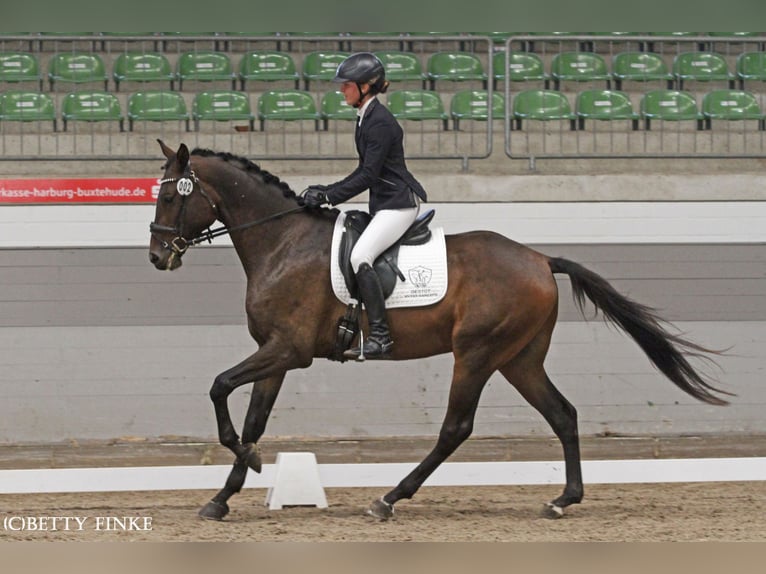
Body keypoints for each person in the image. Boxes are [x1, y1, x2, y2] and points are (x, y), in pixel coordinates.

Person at [303, 52, 428, 360]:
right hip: (384, 203)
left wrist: (329, 196)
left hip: (397, 205)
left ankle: (381, 337)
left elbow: (368, 174)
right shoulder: (366, 117)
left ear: (366, 86)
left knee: (361, 256)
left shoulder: (380, 122)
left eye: (347, 85)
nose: (341, 90)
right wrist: (327, 191)